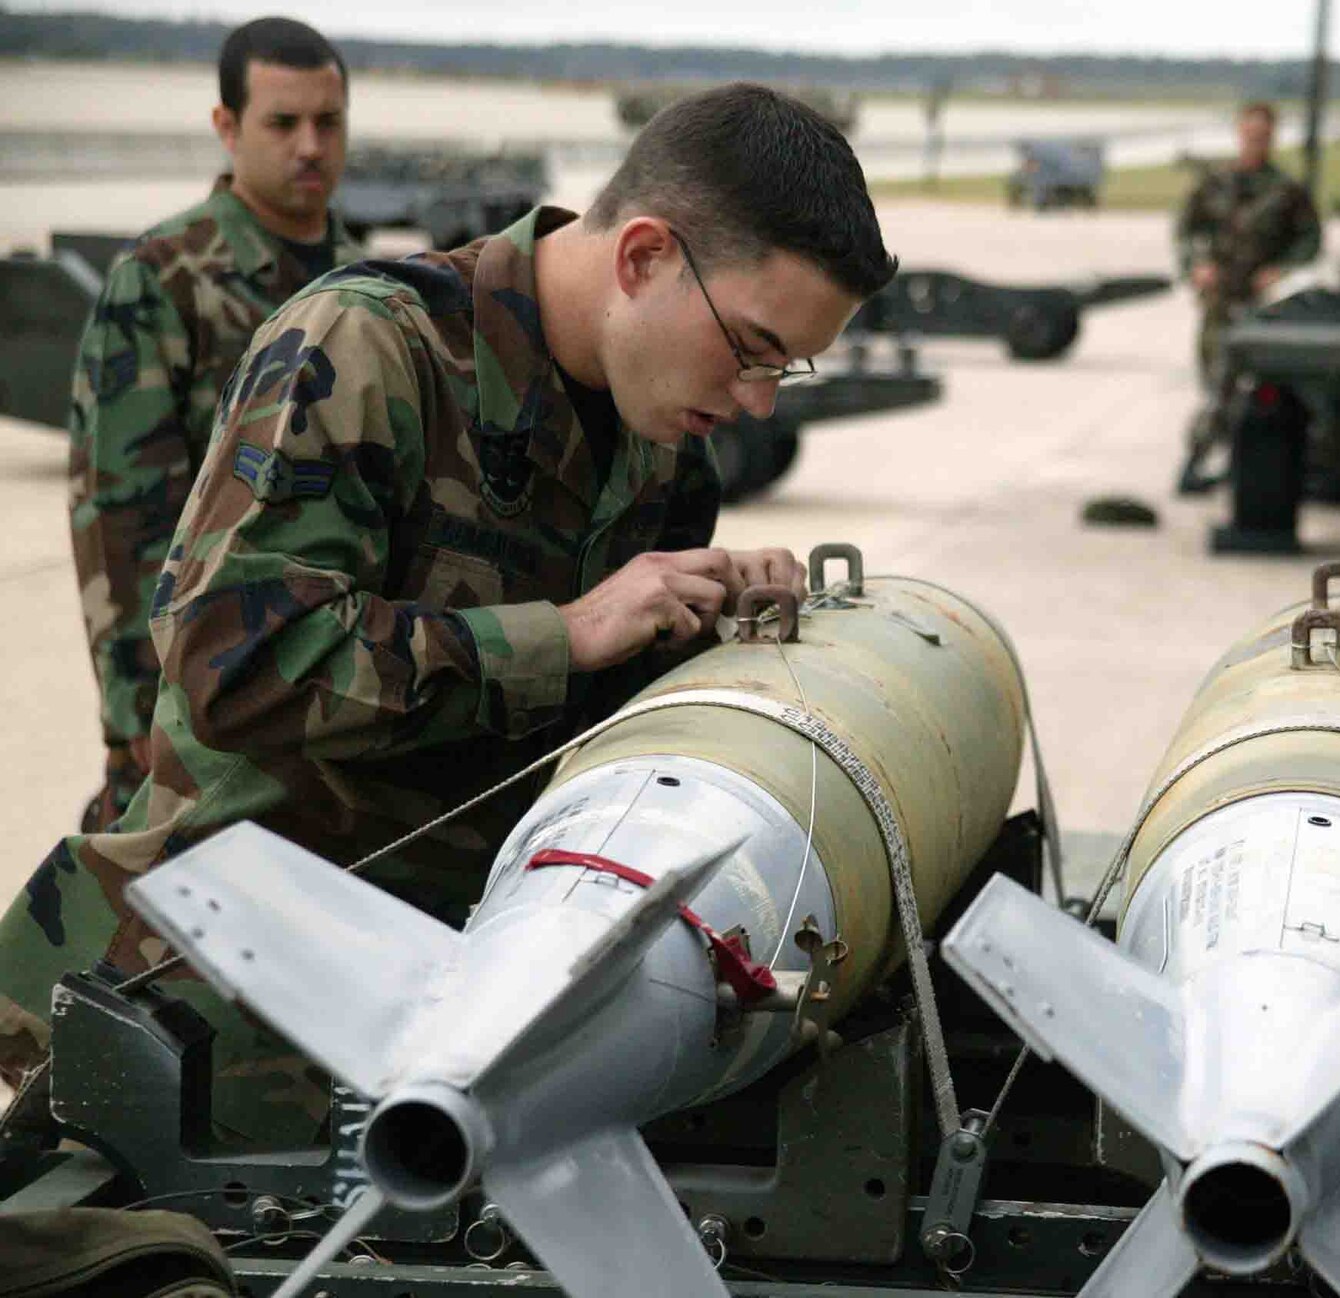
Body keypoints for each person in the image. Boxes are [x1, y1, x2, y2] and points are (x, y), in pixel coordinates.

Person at [0, 83, 898, 1134]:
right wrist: (564, 633)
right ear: (645, 256)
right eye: (749, 347)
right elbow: (232, 664)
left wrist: (701, 628)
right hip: (223, 1012)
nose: (756, 400)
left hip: (459, 1002)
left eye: (783, 368)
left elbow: (574, 722)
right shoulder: (368, 346)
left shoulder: (658, 442)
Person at [68, 18, 366, 836]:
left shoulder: (363, 283)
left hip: (326, 688)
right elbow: (117, 511)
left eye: (328, 122)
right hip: (195, 691)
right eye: (283, 122)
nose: (310, 146)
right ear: (227, 127)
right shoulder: (164, 278)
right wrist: (137, 717)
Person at [1172, 101, 1322, 491]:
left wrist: (1282, 269)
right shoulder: (1215, 184)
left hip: (1266, 305)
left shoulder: (1286, 191)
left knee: (1257, 388)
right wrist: (1197, 264)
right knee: (1216, 380)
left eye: (1264, 136)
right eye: (1250, 135)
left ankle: (1214, 460)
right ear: (1240, 134)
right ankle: (1213, 457)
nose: (1256, 142)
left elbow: (1311, 240)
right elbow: (1186, 231)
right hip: (1221, 299)